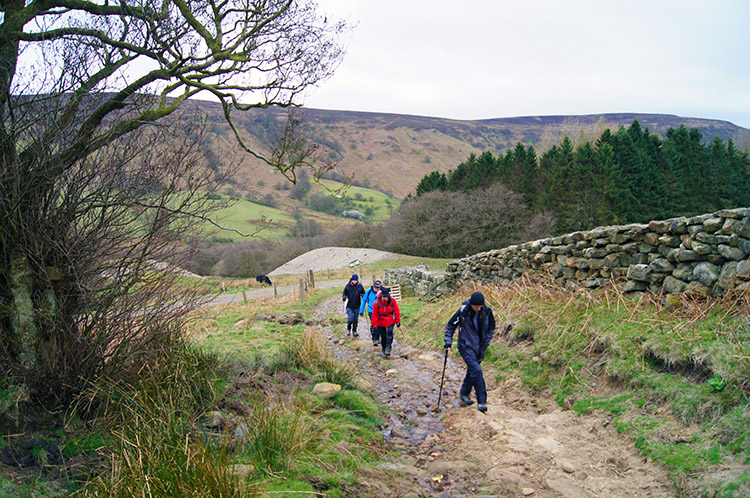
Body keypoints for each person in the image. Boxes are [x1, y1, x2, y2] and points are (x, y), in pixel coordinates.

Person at [444, 291, 495, 412]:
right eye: (476, 306)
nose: (478, 308)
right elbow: (451, 325)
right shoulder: (463, 312)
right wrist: (448, 341)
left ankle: (464, 394)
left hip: (480, 347)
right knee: (476, 369)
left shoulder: (486, 311)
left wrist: (487, 341)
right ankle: (482, 401)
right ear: (471, 304)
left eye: (480, 306)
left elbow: (492, 327)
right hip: (465, 346)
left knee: (473, 371)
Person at [371, 286, 400, 358]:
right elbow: (374, 314)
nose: (385, 299)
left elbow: (396, 311)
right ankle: (384, 348)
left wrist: (397, 320)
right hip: (381, 321)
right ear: (381, 296)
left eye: (386, 297)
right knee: (383, 335)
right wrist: (374, 325)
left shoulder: (392, 301)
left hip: (390, 319)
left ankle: (388, 347)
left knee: (390, 332)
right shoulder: (377, 303)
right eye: (384, 297)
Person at [359, 279, 382, 346]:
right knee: (374, 324)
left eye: (378, 288)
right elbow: (364, 300)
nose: (376, 290)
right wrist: (361, 311)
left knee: (380, 324)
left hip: (380, 311)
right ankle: (374, 339)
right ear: (373, 286)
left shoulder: (381, 292)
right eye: (375, 288)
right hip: (371, 310)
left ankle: (378, 338)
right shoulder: (369, 291)